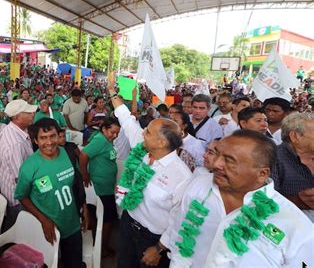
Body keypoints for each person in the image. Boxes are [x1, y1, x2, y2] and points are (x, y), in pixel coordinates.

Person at [158, 130, 313, 267]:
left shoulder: (295, 226)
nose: (217, 164)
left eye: (230, 160)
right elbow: (179, 233)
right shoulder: (199, 185)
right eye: (217, 154)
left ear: (262, 174)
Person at [107, 75, 192, 268]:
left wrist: (160, 248)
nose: (143, 132)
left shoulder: (181, 176)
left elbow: (180, 219)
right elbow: (126, 119)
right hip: (128, 225)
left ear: (162, 143)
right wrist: (112, 91)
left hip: (153, 240)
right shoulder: (143, 147)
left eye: (148, 132)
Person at [15, 118, 88, 268]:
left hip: (73, 224)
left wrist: (84, 208)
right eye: (43, 138)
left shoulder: (68, 154)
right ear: (35, 140)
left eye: (53, 136)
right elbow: (22, 196)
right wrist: (43, 220)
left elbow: (76, 184)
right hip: (49, 228)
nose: (49, 142)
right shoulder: (29, 167)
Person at [79, 117, 120, 258]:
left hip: (106, 186)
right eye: (112, 132)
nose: (114, 136)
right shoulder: (100, 140)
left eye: (117, 134)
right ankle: (102, 248)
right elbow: (84, 154)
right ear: (104, 129)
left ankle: (100, 244)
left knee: (102, 217)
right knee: (108, 218)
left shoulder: (104, 140)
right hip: (100, 186)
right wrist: (84, 174)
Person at [0, 99, 36, 229]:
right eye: (28, 112)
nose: (32, 114)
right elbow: (20, 178)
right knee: (20, 230)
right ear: (17, 117)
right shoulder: (15, 144)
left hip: (13, 192)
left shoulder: (13, 130)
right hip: (19, 199)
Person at [271, 112, 314, 221]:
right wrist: (297, 200)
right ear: (295, 136)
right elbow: (263, 200)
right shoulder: (273, 158)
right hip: (288, 227)